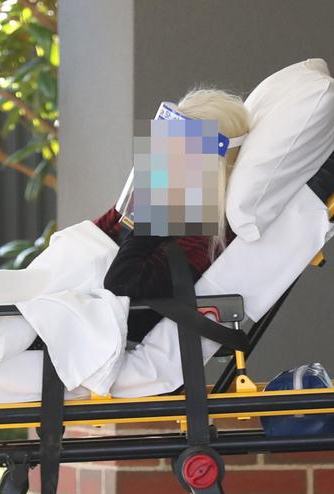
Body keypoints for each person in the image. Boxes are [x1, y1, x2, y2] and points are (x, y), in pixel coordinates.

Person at [96, 87, 250, 341]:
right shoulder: (165, 208)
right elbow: (88, 237)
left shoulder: (201, 238)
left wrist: (154, 215)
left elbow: (120, 284)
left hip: (100, 335)